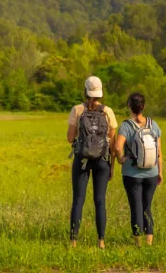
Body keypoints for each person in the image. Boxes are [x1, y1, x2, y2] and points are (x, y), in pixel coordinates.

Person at [67, 76, 117, 249]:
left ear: (85, 91)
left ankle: (73, 241)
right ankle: (101, 241)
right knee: (100, 201)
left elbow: (69, 138)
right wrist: (112, 167)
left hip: (82, 159)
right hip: (103, 161)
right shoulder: (108, 112)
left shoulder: (77, 110)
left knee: (78, 200)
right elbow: (112, 143)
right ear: (100, 92)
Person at [115, 92, 163, 247]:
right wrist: (160, 172)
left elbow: (117, 146)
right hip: (152, 173)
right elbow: (159, 153)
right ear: (144, 106)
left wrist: (121, 159)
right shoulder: (153, 124)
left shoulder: (126, 126)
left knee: (136, 207)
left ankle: (138, 243)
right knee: (146, 208)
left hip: (132, 173)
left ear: (129, 105)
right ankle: (149, 242)